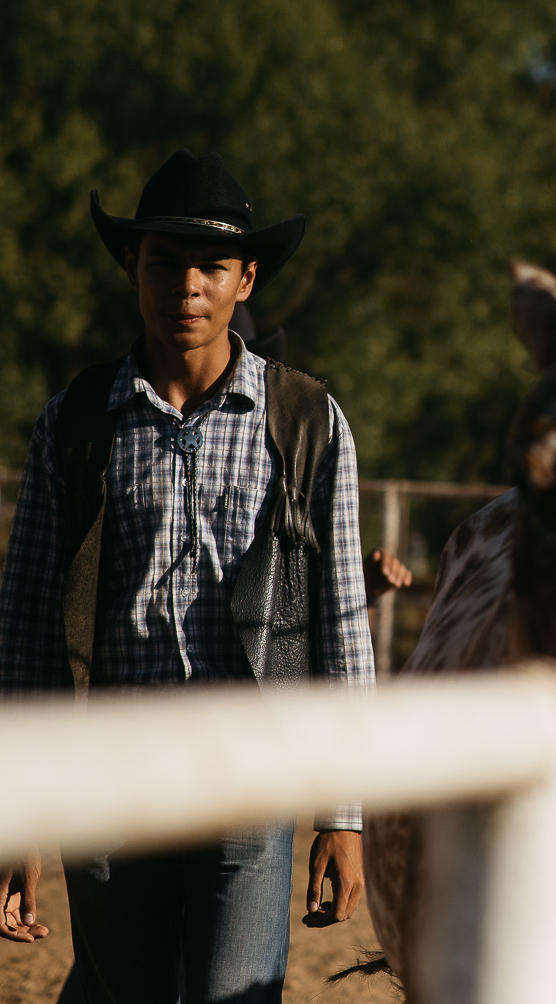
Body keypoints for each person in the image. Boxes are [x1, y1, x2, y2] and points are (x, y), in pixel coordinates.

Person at [0, 151, 374, 1002]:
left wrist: (345, 813)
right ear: (132, 268)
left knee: (237, 994)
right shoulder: (77, 421)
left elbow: (343, 619)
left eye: (210, 266)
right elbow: (23, 623)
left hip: (249, 775)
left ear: (246, 280)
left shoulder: (307, 420)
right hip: (103, 780)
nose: (187, 287)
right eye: (164, 263)